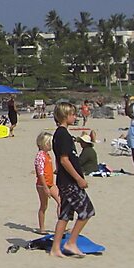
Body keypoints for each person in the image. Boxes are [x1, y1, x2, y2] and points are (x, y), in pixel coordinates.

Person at [50, 102, 95, 258]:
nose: (75, 117)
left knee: (65, 215)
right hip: (69, 182)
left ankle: (55, 248)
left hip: (64, 180)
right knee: (87, 211)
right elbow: (64, 160)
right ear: (65, 116)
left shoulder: (61, 134)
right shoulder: (62, 134)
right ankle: (71, 243)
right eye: (73, 114)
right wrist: (78, 179)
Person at [33, 131, 61, 234]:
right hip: (42, 185)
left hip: (50, 183)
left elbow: (47, 169)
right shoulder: (40, 155)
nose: (51, 145)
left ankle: (61, 225)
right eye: (49, 143)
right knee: (44, 206)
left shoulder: (47, 155)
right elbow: (40, 173)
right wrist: (45, 187)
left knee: (61, 202)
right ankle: (42, 228)